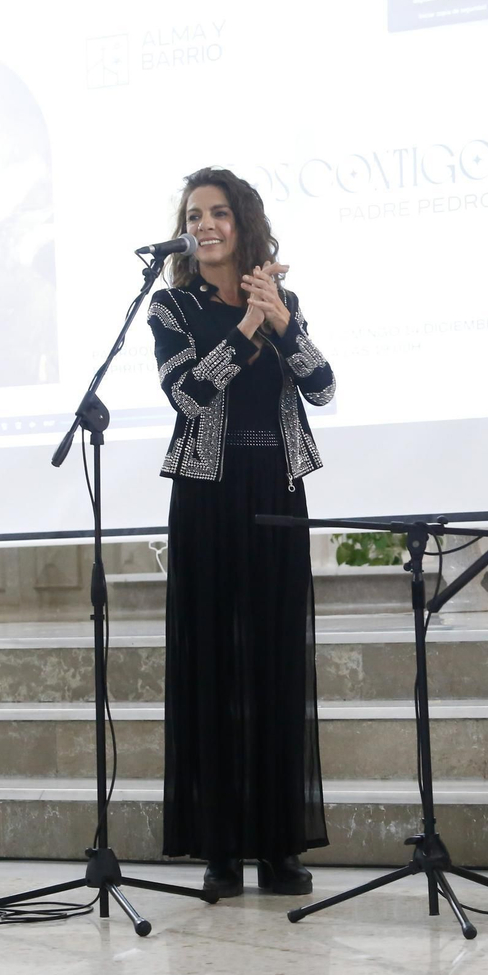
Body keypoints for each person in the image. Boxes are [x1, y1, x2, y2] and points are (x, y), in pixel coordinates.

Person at [147, 167, 336, 898]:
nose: (205, 224)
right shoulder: (173, 306)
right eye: (194, 214)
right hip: (208, 497)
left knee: (275, 667)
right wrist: (251, 326)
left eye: (219, 212)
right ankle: (221, 849)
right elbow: (189, 395)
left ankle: (280, 847)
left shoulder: (282, 302)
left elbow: (322, 388)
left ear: (243, 223)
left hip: (276, 495)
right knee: (215, 671)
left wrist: (282, 323)